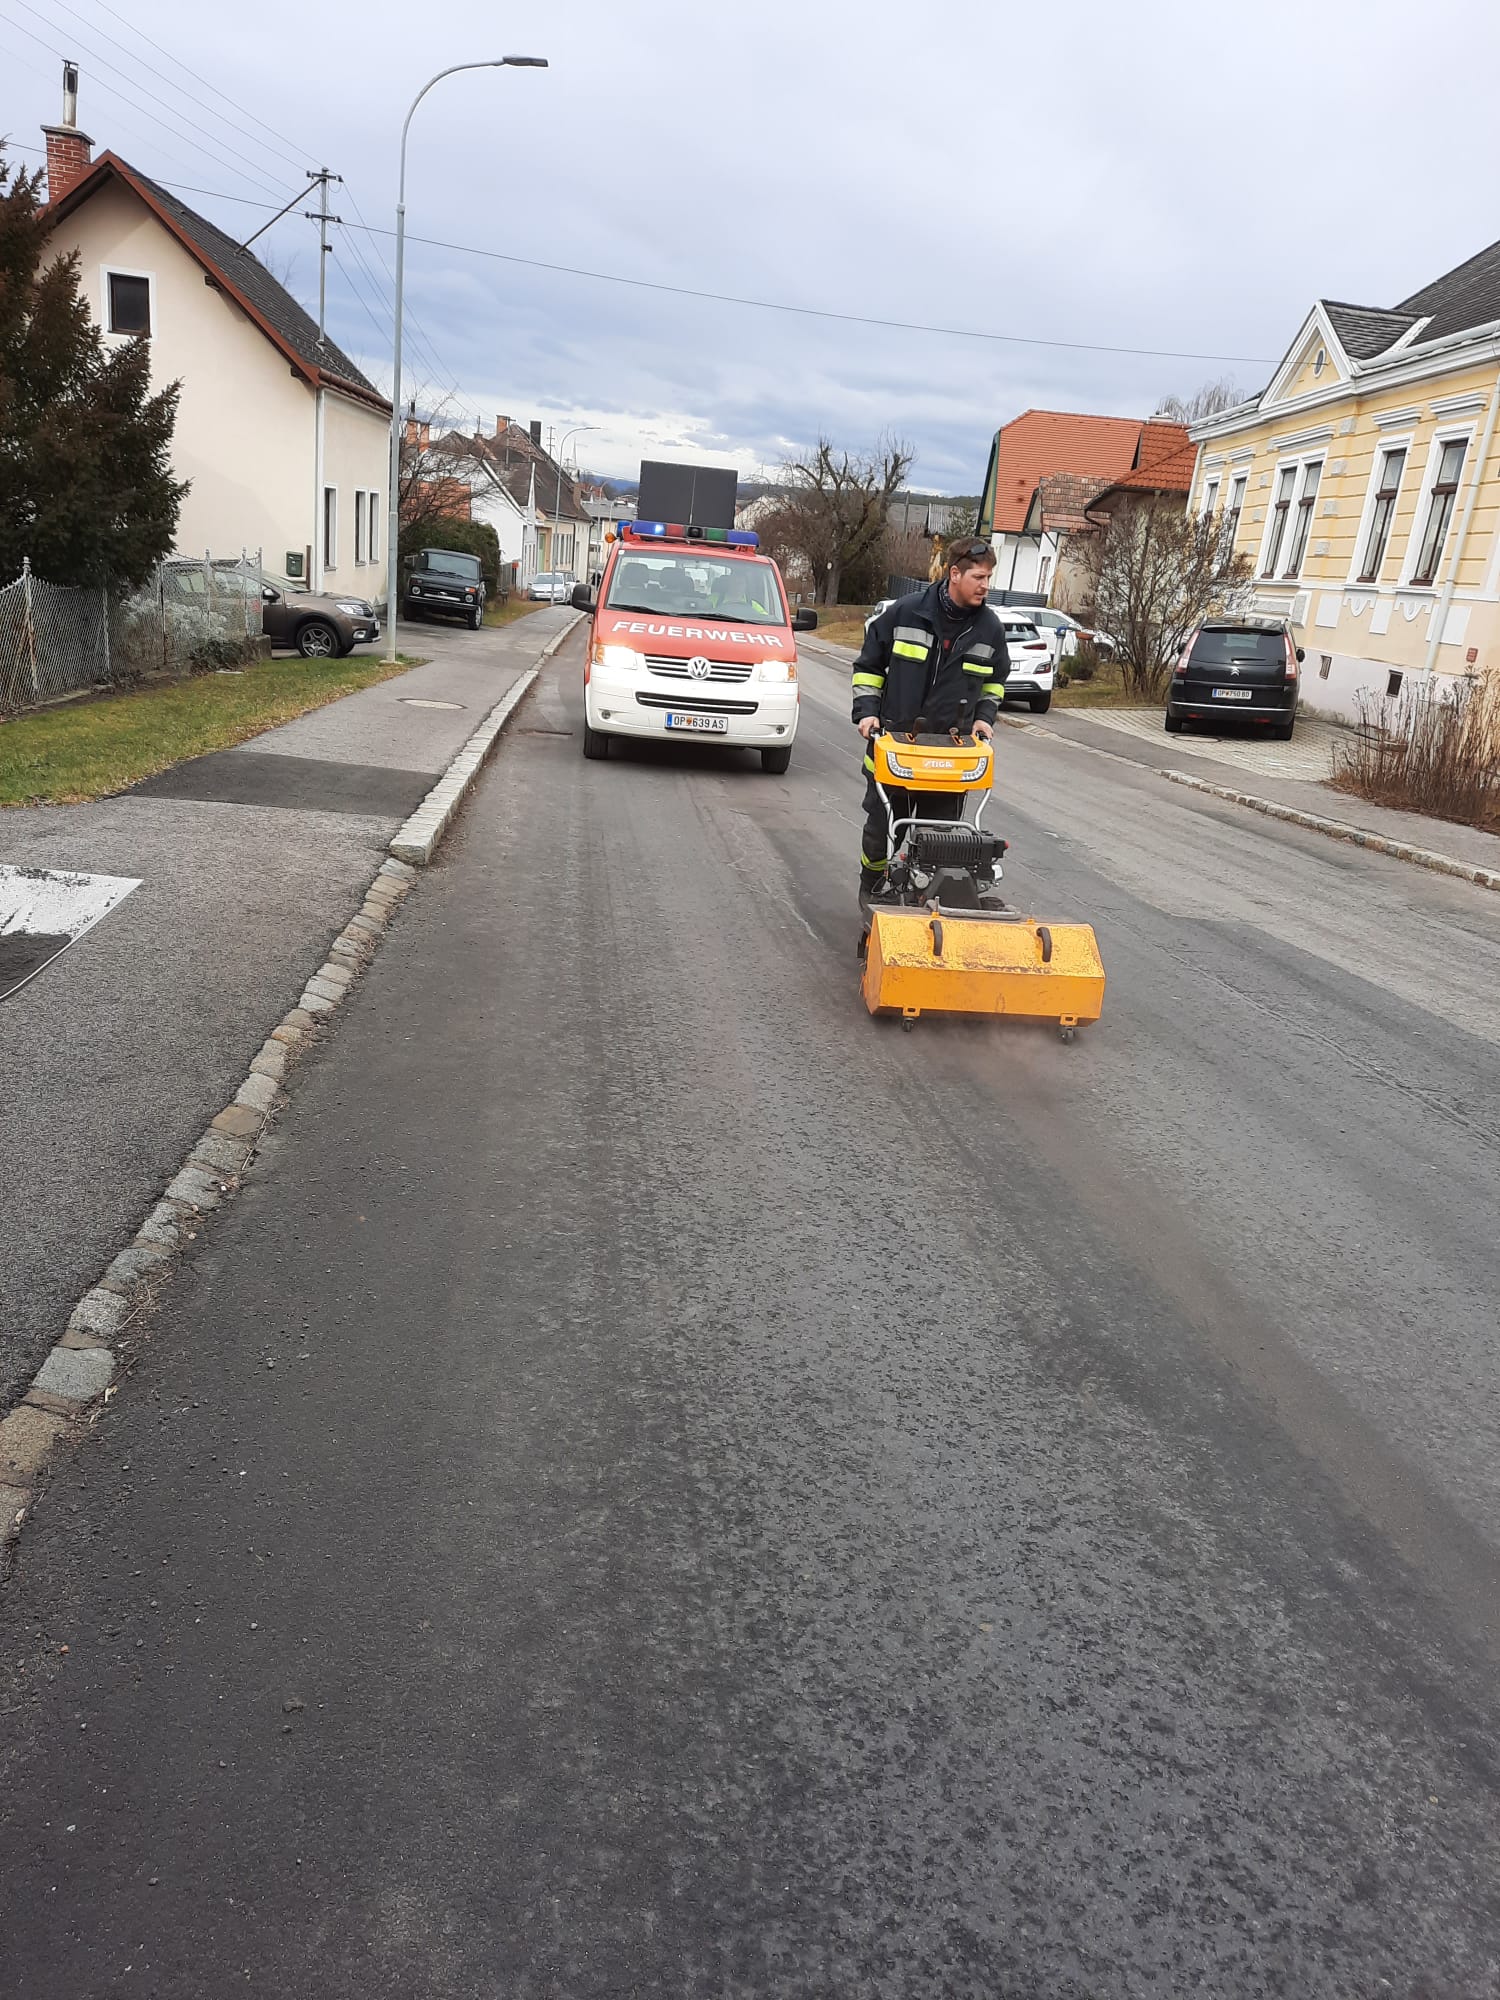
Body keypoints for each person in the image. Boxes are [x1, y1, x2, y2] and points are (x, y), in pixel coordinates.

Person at [850, 538, 1010, 899]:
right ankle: (871, 888)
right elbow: (869, 667)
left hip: (950, 754)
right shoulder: (905, 613)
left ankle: (925, 897)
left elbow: (994, 682)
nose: (985, 586)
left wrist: (984, 718)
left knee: (939, 838)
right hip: (894, 744)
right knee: (882, 830)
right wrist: (867, 713)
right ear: (955, 574)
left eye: (988, 578)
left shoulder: (989, 629)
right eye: (979, 577)